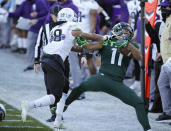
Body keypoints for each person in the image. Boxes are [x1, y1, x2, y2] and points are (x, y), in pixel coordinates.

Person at [64, 22, 152, 131]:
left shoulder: (132, 45)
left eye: (126, 33)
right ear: (116, 32)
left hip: (117, 83)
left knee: (138, 103)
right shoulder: (107, 41)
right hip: (101, 78)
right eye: (123, 32)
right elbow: (89, 46)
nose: (124, 34)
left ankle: (148, 129)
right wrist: (80, 37)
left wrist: (128, 45)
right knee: (80, 88)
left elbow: (139, 57)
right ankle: (63, 107)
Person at [21, 8, 81, 129]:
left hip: (51, 59)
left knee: (64, 88)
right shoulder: (71, 26)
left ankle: (58, 120)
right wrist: (101, 41)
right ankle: (29, 105)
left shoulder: (55, 28)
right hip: (56, 60)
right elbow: (82, 39)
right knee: (55, 94)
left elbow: (71, 45)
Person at [156, 0, 171, 122]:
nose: (163, 9)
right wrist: (161, 52)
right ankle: (168, 111)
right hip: (166, 59)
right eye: (162, 7)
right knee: (162, 83)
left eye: (165, 7)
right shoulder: (168, 18)